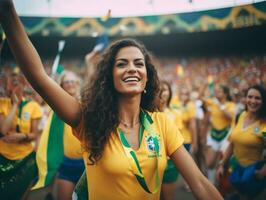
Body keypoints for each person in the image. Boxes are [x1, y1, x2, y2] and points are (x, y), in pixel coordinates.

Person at [0, 1, 223, 199]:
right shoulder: (90, 121)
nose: (132, 69)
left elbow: (200, 183)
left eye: (138, 63)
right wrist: (7, 11)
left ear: (147, 76)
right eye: (122, 64)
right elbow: (38, 77)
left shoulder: (162, 124)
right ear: (109, 77)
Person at [33, 71, 85, 200]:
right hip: (66, 163)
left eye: (73, 81)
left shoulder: (87, 103)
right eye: (67, 82)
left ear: (78, 84)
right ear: (61, 85)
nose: (70, 84)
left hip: (87, 164)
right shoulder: (55, 106)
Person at [216, 85, 266, 199]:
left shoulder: (264, 126)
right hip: (237, 168)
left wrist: (262, 172)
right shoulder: (239, 116)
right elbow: (232, 143)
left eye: (257, 98)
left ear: (263, 101)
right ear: (245, 98)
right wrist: (222, 165)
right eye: (250, 97)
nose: (253, 101)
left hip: (253, 173)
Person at [0, 72, 42, 199]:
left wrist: (22, 136)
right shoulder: (2, 103)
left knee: (22, 192)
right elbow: (3, 130)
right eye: (10, 83)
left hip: (25, 157)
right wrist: (15, 105)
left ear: (24, 85)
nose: (12, 87)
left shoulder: (33, 106)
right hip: (3, 157)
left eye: (16, 83)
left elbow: (35, 134)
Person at [155, 80, 183, 200]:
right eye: (159, 89)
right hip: (152, 161)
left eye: (165, 89)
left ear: (170, 93)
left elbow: (177, 138)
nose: (162, 92)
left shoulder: (175, 113)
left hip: (170, 162)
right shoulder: (149, 113)